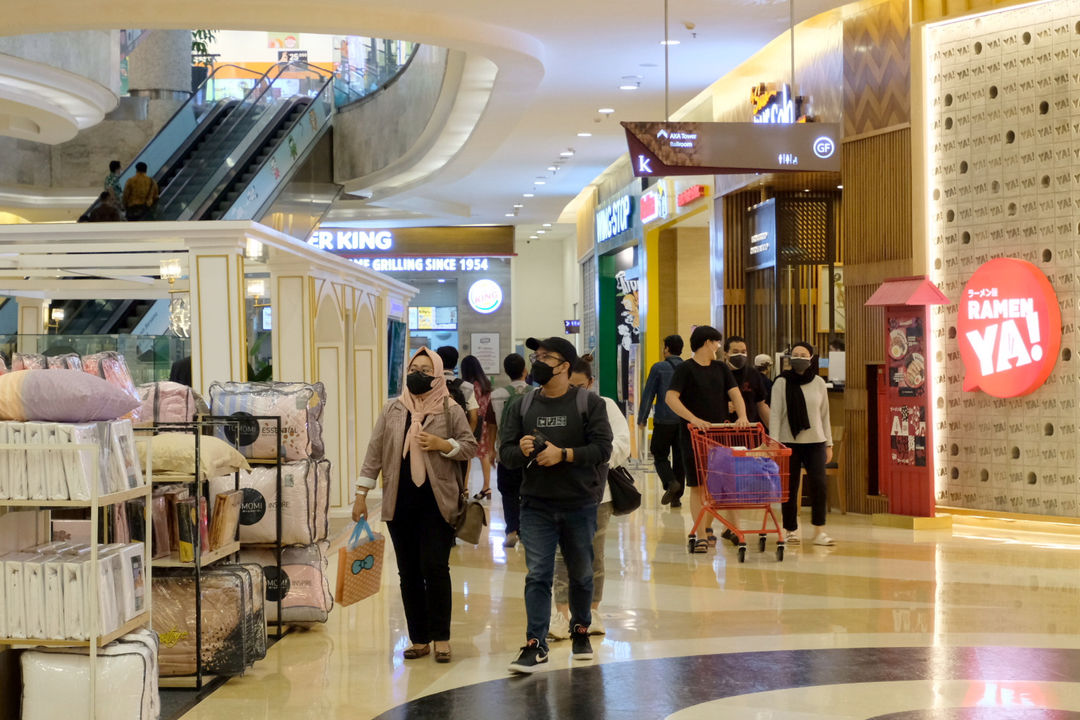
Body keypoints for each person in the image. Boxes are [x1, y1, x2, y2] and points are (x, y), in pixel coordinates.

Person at [352, 347, 478, 663]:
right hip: (401, 503)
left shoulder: (451, 409)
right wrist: (360, 495)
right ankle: (419, 638)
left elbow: (469, 447)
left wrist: (443, 445)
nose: (417, 375)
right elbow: (375, 453)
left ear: (437, 375)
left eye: (424, 370)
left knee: (435, 568)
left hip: (438, 503)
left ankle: (442, 638)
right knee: (408, 573)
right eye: (413, 368)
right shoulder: (393, 409)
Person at [500, 337, 612, 673]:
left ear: (565, 365)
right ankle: (536, 643)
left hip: (579, 503)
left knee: (580, 573)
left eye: (547, 356)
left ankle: (580, 632)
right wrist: (520, 451)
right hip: (535, 505)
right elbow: (504, 456)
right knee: (538, 575)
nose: (538, 361)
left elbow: (602, 450)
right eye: (536, 356)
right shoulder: (521, 405)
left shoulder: (588, 403)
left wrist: (563, 454)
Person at [549, 354, 629, 641]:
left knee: (593, 555)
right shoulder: (552, 405)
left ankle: (593, 611)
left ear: (591, 382)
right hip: (559, 491)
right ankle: (561, 614)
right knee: (561, 555)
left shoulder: (605, 406)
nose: (575, 391)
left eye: (580, 385)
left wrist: (592, 457)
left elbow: (622, 444)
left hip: (598, 494)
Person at [665, 325, 749, 552]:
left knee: (727, 483)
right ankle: (701, 534)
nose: (718, 347)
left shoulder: (721, 369)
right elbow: (671, 398)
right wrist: (693, 419)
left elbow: (735, 394)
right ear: (707, 343)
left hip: (720, 435)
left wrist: (742, 416)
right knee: (698, 486)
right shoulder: (686, 369)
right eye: (716, 342)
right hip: (693, 436)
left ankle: (733, 528)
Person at [769, 342, 834, 547]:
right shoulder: (781, 382)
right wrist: (774, 444)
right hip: (788, 443)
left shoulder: (819, 383)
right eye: (795, 354)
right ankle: (790, 530)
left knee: (819, 485)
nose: (799, 357)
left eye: (803, 354)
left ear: (811, 357)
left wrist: (829, 444)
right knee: (789, 487)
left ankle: (819, 531)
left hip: (816, 442)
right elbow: (775, 415)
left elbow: (824, 416)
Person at [637, 334, 686, 507]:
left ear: (666, 348)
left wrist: (642, 418)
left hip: (664, 420)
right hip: (684, 421)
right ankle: (677, 498)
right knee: (680, 458)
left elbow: (649, 393)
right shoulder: (687, 367)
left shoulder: (659, 368)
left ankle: (670, 482)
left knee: (659, 454)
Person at [489, 353, 528, 548]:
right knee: (529, 493)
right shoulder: (536, 393)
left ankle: (512, 530)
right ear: (525, 371)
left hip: (506, 453)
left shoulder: (496, 395)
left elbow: (491, 427)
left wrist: (491, 451)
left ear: (506, 372)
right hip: (530, 454)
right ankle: (527, 531)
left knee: (508, 493)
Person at [460, 355, 495, 501]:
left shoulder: (471, 386)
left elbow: (472, 407)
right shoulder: (485, 383)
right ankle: (486, 487)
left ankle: (465, 487)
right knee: (483, 454)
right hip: (485, 422)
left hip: (474, 421)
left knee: (467, 453)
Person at [724, 336, 771, 428]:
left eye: (743, 352)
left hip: (748, 429)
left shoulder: (753, 374)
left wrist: (774, 432)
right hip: (721, 429)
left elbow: (761, 405)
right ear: (725, 354)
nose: (740, 355)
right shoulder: (719, 373)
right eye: (735, 352)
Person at [436, 346, 479, 433]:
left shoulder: (432, 385)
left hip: (435, 436)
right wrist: (467, 439)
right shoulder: (467, 386)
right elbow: (474, 418)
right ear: (456, 363)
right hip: (459, 434)